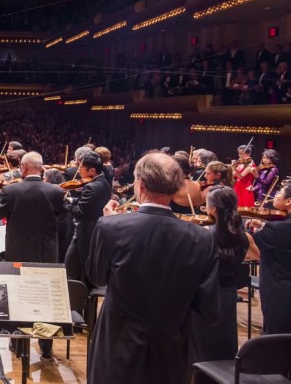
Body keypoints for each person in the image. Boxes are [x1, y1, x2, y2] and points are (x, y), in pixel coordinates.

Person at [88, 153, 219, 384]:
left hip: (118, 344)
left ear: (141, 184)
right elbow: (208, 308)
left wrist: (109, 224)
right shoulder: (202, 238)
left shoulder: (110, 226)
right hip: (171, 349)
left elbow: (97, 278)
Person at [0, 151, 67, 360]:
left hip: (18, 252)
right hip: (47, 253)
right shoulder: (56, 191)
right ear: (41, 168)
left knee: (18, 297)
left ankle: (18, 343)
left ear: (22, 166)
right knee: (45, 299)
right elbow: (64, 215)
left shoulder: (11, 190)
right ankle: (46, 347)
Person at [189, 186, 252, 362]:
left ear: (213, 209)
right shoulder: (244, 236)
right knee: (224, 339)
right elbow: (256, 254)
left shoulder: (204, 235)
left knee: (202, 344)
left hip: (204, 294)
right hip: (228, 292)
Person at [249, 181, 291, 336]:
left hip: (276, 288)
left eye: (279, 192)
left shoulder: (276, 228)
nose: (275, 195)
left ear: (289, 201)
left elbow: (252, 247)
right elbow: (288, 239)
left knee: (276, 337)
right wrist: (263, 225)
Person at [64, 149, 111, 287]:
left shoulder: (91, 187)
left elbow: (79, 212)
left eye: (81, 168)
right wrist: (72, 199)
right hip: (93, 229)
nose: (79, 172)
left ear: (91, 171)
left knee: (74, 267)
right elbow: (89, 203)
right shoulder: (104, 181)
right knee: (74, 265)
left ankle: (77, 298)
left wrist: (65, 202)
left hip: (85, 231)